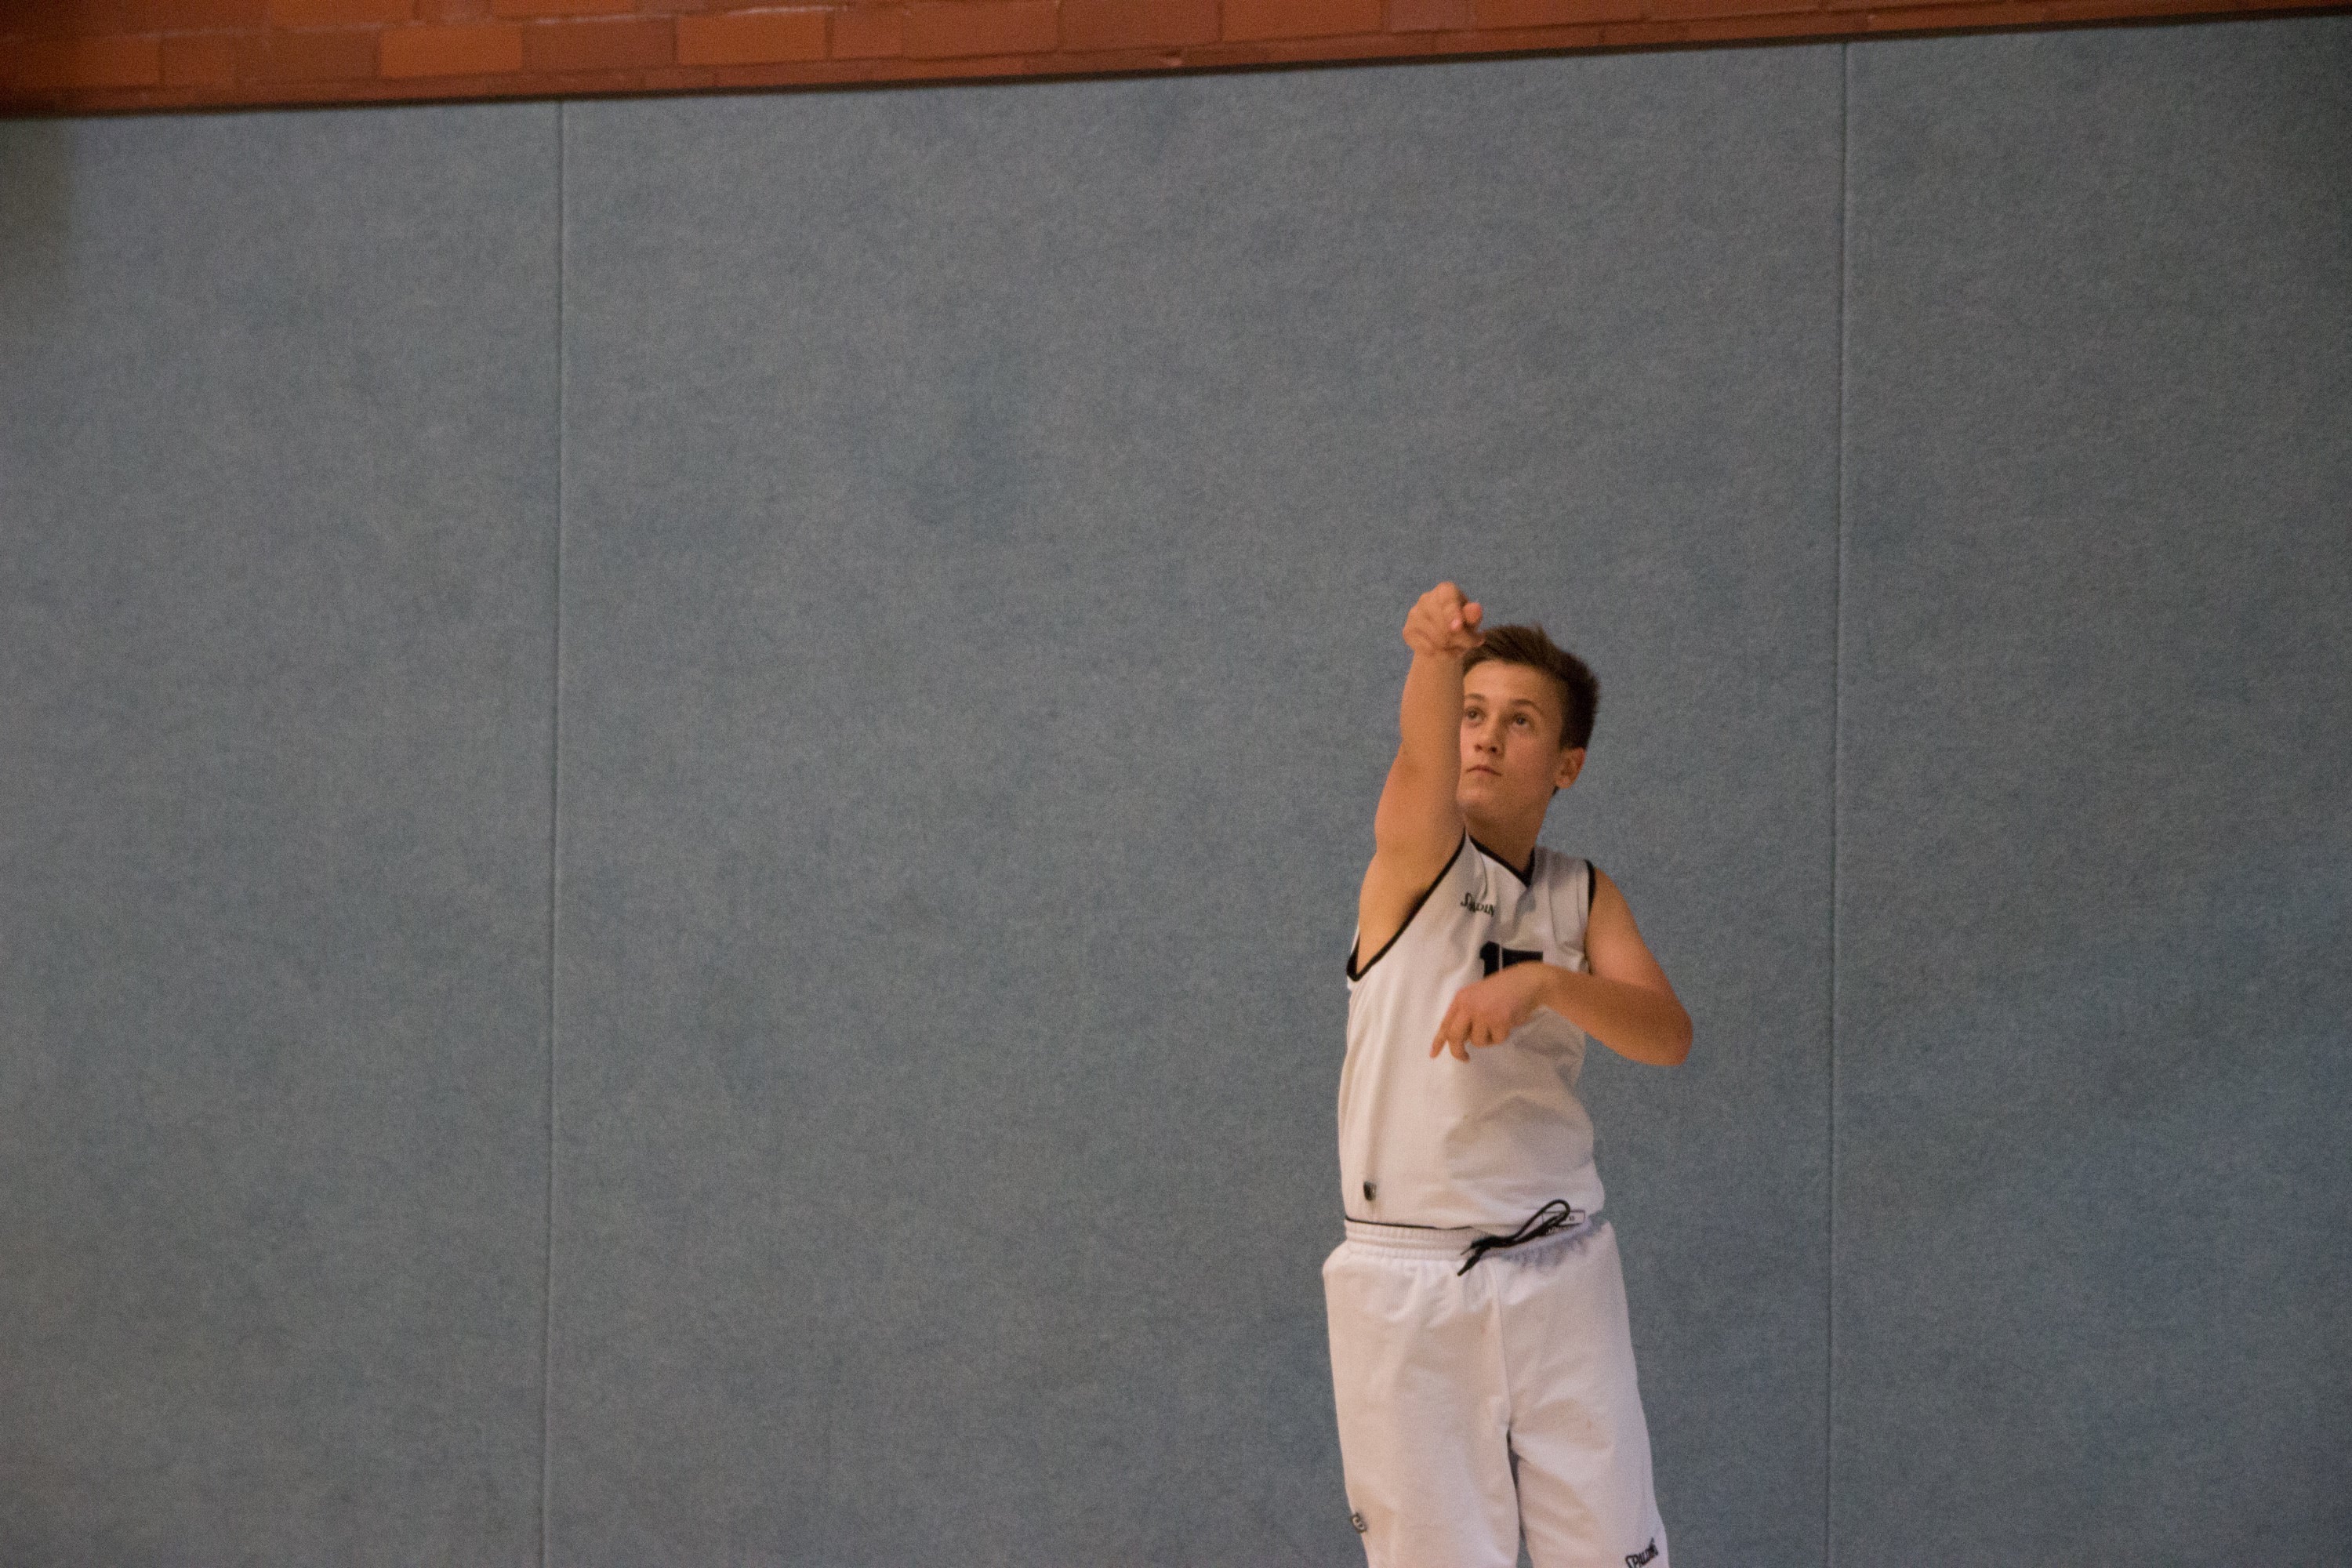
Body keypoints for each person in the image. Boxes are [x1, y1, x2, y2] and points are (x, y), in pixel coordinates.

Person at [1325, 581, 1690, 1568]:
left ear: (1568, 764)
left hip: (1562, 1261)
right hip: (1412, 1277)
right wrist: (1435, 659)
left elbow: (1667, 1034)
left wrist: (1547, 983)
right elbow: (1420, 757)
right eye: (1473, 714)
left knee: (1617, 1552)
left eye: (1520, 720)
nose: (1486, 736)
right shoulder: (1417, 857)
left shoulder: (1583, 893)